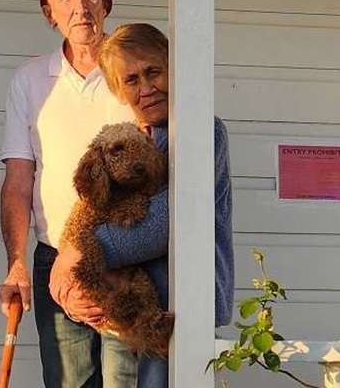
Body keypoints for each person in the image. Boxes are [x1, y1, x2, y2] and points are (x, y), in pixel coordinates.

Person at [49, 23, 234, 388]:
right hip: (127, 311)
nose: (146, 88)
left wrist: (77, 255)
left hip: (179, 309)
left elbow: (166, 223)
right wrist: (73, 289)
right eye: (131, 80)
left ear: (174, 68)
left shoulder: (201, 132)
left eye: (154, 72)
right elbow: (94, 207)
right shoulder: (129, 141)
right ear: (117, 89)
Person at [0, 0, 138, 387]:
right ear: (50, 15)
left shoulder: (133, 73)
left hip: (127, 254)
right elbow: (19, 179)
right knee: (68, 383)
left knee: (125, 382)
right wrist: (16, 264)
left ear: (105, 6)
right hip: (53, 258)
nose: (79, 5)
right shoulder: (31, 79)